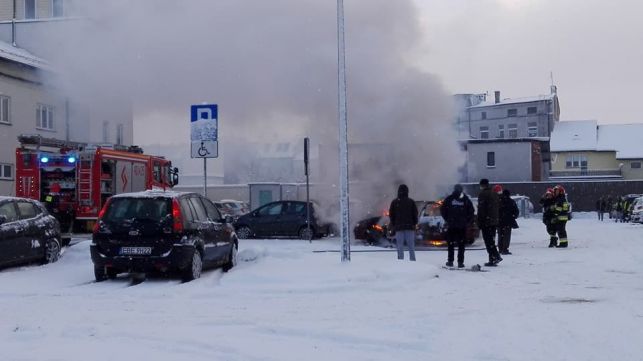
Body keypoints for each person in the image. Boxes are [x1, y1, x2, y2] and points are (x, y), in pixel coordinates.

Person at [440, 184, 474, 268]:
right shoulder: (465, 199)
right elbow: (471, 211)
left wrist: (447, 219)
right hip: (462, 226)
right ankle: (460, 262)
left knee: (450, 244)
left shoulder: (449, 199)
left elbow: (442, 209)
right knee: (461, 245)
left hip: (452, 225)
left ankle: (450, 261)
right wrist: (467, 221)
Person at [389, 184, 418, 261]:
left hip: (399, 227)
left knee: (400, 246)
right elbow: (415, 214)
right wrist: (414, 223)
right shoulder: (411, 202)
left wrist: (394, 224)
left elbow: (391, 215)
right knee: (411, 246)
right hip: (409, 227)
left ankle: (400, 262)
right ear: (407, 191)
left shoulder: (394, 202)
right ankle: (413, 261)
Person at [477, 179, 502, 266]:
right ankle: (492, 259)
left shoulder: (483, 194)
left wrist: (479, 221)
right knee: (491, 240)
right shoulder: (494, 193)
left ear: (482, 185)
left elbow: (481, 209)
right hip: (494, 221)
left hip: (486, 221)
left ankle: (495, 256)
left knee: (488, 241)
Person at [498, 188, 519, 255]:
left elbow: (495, 211)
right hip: (508, 221)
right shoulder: (511, 201)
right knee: (506, 236)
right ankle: (505, 249)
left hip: (500, 221)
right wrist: (513, 217)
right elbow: (516, 211)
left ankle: (500, 249)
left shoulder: (499, 201)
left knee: (500, 235)